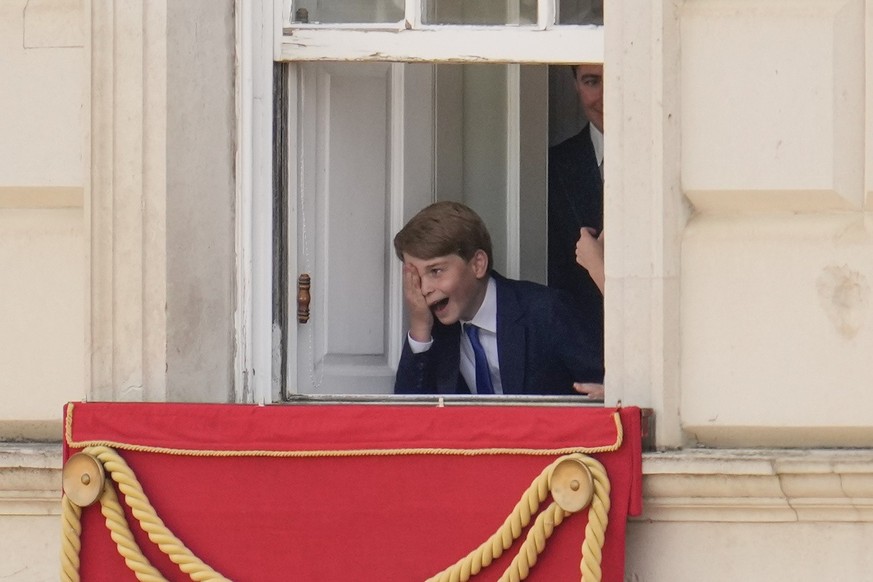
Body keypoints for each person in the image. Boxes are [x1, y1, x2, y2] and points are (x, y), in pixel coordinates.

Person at [393, 201, 603, 397]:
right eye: (416, 277)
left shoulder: (546, 311)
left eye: (436, 271)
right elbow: (407, 420)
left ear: (478, 264)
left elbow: (608, 386)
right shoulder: (436, 331)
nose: (426, 288)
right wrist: (420, 327)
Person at [548, 63, 606, 378]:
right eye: (592, 81)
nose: (606, 97)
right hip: (577, 368)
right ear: (575, 85)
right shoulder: (552, 167)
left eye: (618, 79)